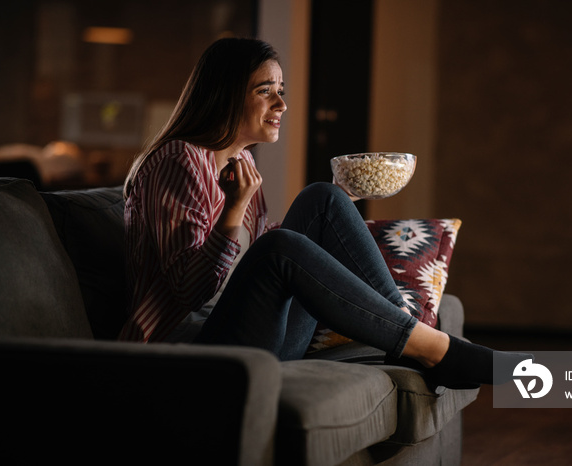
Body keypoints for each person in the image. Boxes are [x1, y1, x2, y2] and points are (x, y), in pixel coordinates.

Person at [120, 37, 529, 387]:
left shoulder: (242, 164)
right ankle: (432, 349)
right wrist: (234, 209)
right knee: (279, 247)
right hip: (190, 353)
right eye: (265, 90)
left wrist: (336, 212)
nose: (281, 102)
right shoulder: (179, 160)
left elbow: (255, 267)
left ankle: (408, 337)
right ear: (225, 96)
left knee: (322, 199)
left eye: (281, 89)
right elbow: (188, 293)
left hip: (257, 337)